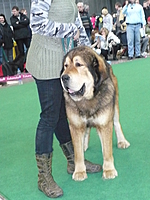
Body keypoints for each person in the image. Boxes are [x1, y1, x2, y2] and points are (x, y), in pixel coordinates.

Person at [26, 0, 101, 198]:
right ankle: (44, 177)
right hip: (45, 62)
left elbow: (78, 26)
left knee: (61, 114)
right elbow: (38, 24)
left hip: (63, 64)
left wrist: (93, 57)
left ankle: (74, 161)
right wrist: (69, 30)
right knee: (50, 116)